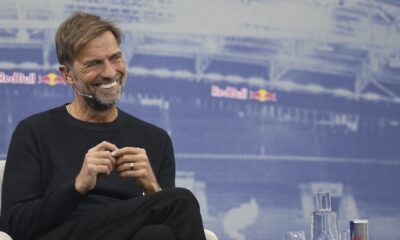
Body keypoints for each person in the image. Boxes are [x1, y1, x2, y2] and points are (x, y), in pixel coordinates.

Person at [0, 12, 207, 240]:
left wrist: (152, 189)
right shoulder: (34, 131)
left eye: (115, 58)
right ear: (67, 74)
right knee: (180, 201)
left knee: (158, 234)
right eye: (94, 63)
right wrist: (77, 187)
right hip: (64, 233)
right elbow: (14, 226)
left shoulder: (156, 139)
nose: (109, 72)